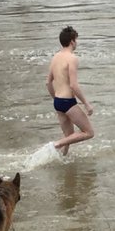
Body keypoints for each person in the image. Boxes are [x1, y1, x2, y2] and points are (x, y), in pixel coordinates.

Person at [46, 25, 95, 155]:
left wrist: (55, 98)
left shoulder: (55, 57)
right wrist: (87, 104)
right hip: (68, 102)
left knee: (68, 138)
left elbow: (48, 82)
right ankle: (56, 144)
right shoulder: (72, 58)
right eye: (76, 40)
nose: (76, 43)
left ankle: (62, 160)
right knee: (89, 132)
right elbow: (73, 85)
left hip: (58, 102)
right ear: (72, 41)